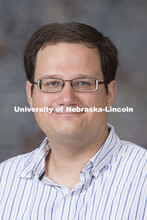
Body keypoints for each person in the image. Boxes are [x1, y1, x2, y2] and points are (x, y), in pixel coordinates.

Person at [0, 22, 146, 220]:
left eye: (83, 83)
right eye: (51, 83)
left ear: (109, 94)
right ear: (30, 94)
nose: (67, 98)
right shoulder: (4, 181)